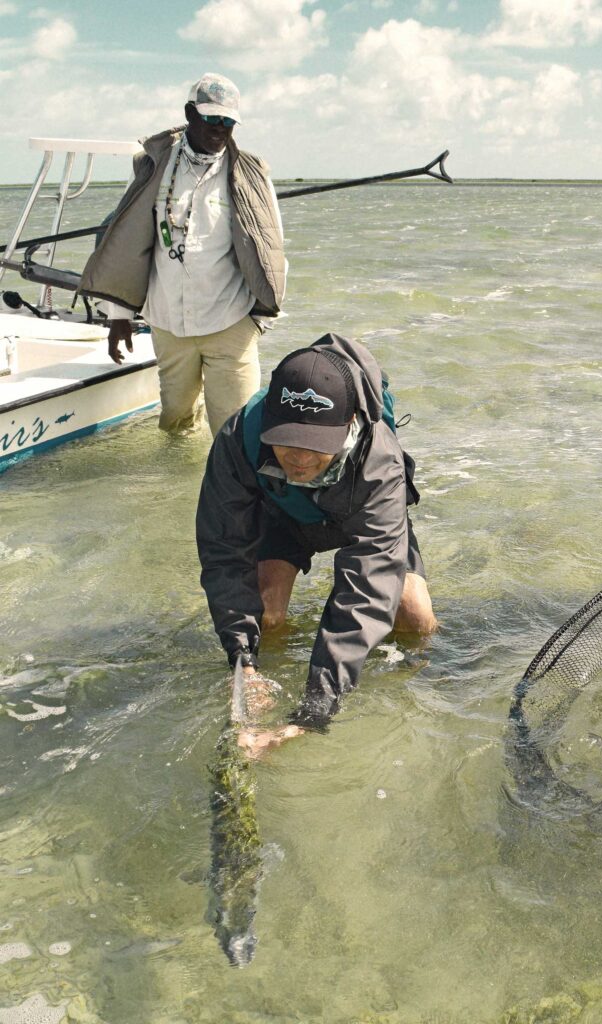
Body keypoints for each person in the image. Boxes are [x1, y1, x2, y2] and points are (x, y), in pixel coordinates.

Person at [196, 332, 437, 755]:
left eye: (316, 446)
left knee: (414, 615)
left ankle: (414, 689)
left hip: (358, 512)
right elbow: (224, 551)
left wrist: (314, 711)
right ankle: (257, 685)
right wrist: (243, 663)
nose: (300, 458)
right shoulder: (238, 439)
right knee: (266, 614)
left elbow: (365, 589)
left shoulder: (379, 462)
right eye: (287, 441)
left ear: (348, 425)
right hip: (283, 514)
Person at [79, 72, 286, 436]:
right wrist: (119, 315)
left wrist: (260, 319)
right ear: (190, 113)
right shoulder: (154, 165)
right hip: (168, 324)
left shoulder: (251, 174)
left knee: (237, 433)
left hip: (231, 322)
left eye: (228, 122)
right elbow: (129, 243)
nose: (221, 129)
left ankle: (230, 491)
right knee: (175, 422)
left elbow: (272, 246)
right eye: (212, 119)